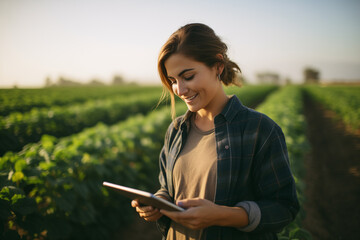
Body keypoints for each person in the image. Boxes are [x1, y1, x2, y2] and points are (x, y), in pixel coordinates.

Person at [131, 23, 299, 240]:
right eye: (173, 81)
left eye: (188, 76)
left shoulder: (260, 130)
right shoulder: (176, 130)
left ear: (218, 66)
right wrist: (156, 203)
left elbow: (284, 208)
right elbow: (171, 190)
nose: (180, 90)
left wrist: (221, 216)